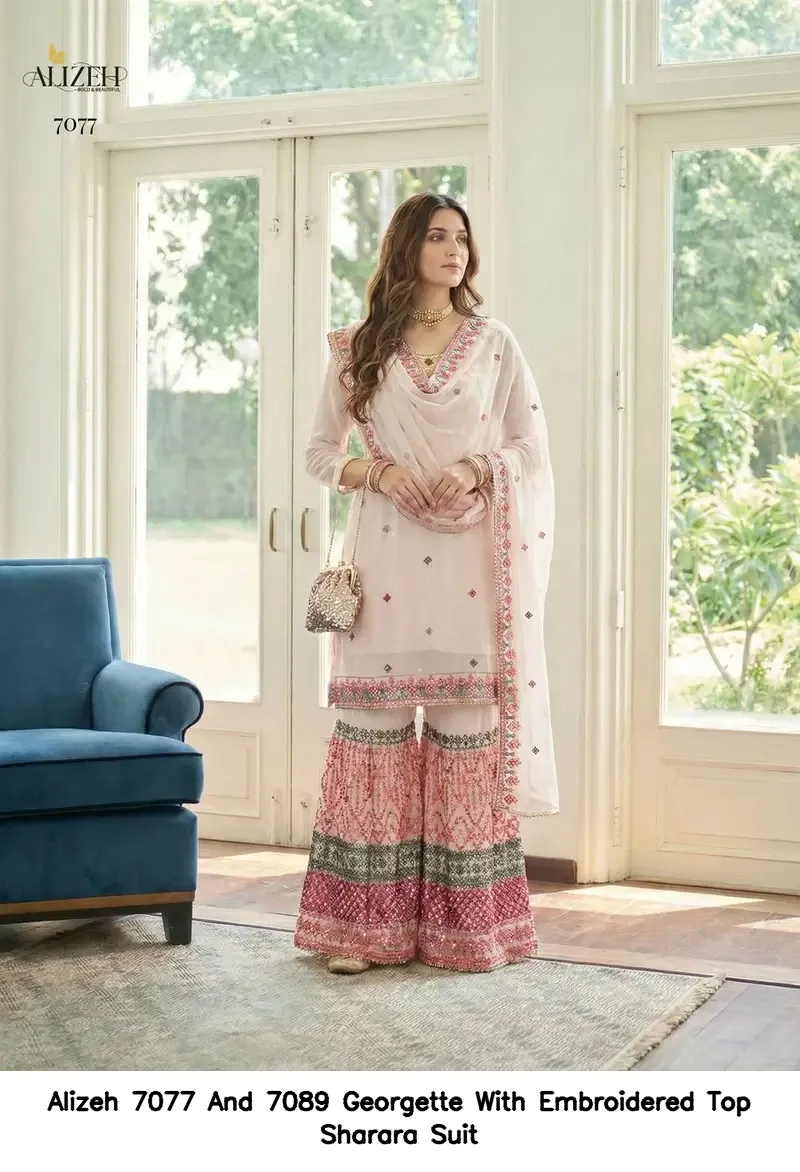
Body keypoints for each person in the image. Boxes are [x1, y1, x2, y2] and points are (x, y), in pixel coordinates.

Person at [294, 191, 558, 975]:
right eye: (438, 236)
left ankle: (468, 931)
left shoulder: (494, 343)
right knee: (371, 743)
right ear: (406, 246)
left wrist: (478, 467)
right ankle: (358, 932)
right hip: (384, 565)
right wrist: (377, 473)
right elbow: (318, 453)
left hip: (472, 567)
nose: (454, 251)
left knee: (466, 742)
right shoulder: (358, 346)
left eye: (462, 239)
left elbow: (530, 446)